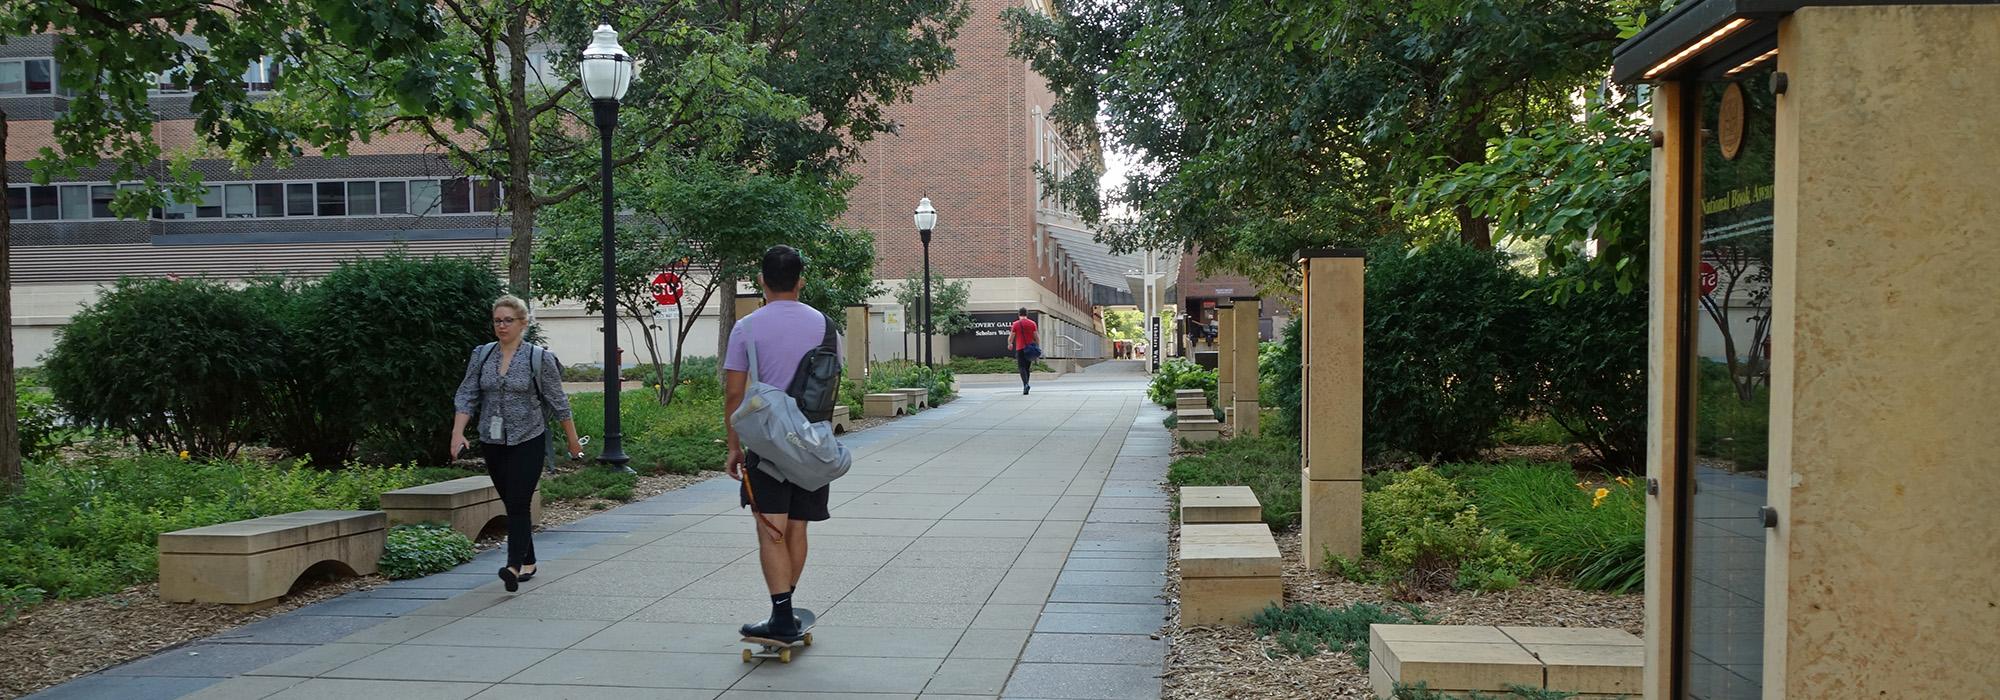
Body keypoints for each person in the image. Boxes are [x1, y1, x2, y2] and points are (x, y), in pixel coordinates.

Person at [725, 245, 840, 643]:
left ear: (761, 280)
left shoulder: (746, 329)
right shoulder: (827, 326)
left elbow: (734, 395)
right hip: (811, 442)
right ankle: (786, 610)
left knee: (770, 528)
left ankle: (780, 614)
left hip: (767, 445)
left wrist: (734, 447)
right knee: (797, 527)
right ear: (800, 280)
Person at [451, 295, 583, 592]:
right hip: (492, 439)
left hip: (529, 437)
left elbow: (558, 402)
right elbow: (467, 394)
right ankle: (530, 560)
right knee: (513, 502)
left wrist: (573, 442)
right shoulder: (482, 355)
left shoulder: (539, 358)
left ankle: (512, 565)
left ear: (523, 323)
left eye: (508, 320)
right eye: (497, 320)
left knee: (518, 502)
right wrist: (457, 433)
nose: (501, 326)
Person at [1010, 307, 1039, 395]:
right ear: (1027, 314)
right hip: (1029, 348)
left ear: (1019, 314)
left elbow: (1011, 336)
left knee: (1021, 367)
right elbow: (1036, 337)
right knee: (1027, 368)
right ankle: (1026, 384)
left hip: (1020, 348)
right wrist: (1037, 346)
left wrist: (1010, 343)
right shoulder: (1032, 323)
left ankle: (1025, 384)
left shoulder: (1015, 324)